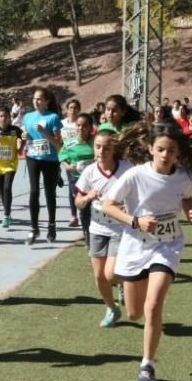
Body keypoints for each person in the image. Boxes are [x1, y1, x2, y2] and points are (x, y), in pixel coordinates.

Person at [102, 123, 192, 381]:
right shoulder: (135, 176)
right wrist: (135, 221)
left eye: (171, 151)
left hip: (167, 245)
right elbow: (107, 205)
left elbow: (187, 197)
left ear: (178, 153)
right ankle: (126, 294)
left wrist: (190, 212)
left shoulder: (182, 176)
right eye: (160, 149)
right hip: (136, 245)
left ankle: (147, 365)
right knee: (134, 314)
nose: (165, 155)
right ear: (150, 149)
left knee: (153, 305)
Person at [75, 130, 132, 327]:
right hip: (97, 228)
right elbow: (78, 202)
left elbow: (140, 193)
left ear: (115, 149)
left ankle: (123, 283)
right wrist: (87, 197)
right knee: (99, 277)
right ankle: (112, 308)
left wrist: (129, 208)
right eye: (98, 146)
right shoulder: (89, 172)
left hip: (121, 229)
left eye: (107, 147)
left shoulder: (127, 169)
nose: (101, 151)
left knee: (111, 274)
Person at [21, 87, 64, 244]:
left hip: (50, 159)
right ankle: (34, 228)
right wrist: (23, 136)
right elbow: (24, 136)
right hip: (32, 157)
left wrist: (45, 133)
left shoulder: (53, 118)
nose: (36, 101)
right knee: (33, 191)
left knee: (49, 192)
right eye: (34, 98)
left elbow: (58, 142)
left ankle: (51, 226)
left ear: (46, 101)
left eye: (39, 99)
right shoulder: (27, 117)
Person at [60, 113, 96, 229]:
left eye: (84, 126)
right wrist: (68, 166)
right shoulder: (71, 141)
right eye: (78, 125)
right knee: (83, 207)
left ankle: (93, 228)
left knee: (92, 205)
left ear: (90, 128)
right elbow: (62, 155)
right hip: (76, 178)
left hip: (93, 179)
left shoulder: (95, 141)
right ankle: (86, 231)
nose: (81, 128)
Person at [0, 108, 22, 229]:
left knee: (7, 188)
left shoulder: (15, 130)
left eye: (6, 116)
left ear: (9, 118)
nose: (4, 118)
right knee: (2, 191)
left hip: (11, 164)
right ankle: (6, 209)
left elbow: (22, 140)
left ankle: (6, 215)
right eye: (1, 116)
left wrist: (20, 145)